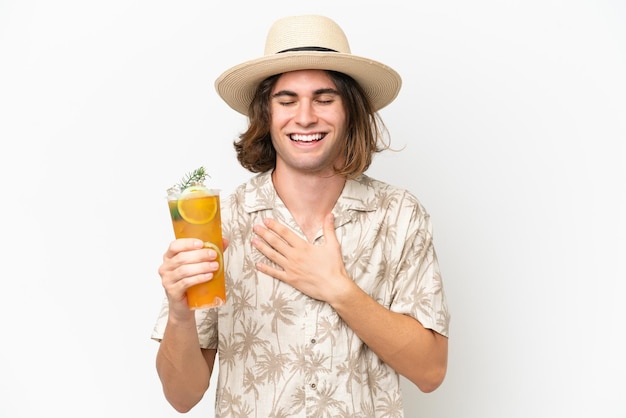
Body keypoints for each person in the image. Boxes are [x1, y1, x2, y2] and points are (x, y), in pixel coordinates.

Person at [151, 14, 450, 418]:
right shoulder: (221, 222)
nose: (305, 117)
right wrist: (180, 312)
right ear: (266, 114)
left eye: (324, 99)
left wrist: (339, 290)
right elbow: (182, 396)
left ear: (350, 111)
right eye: (286, 100)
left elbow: (431, 372)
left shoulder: (399, 215)